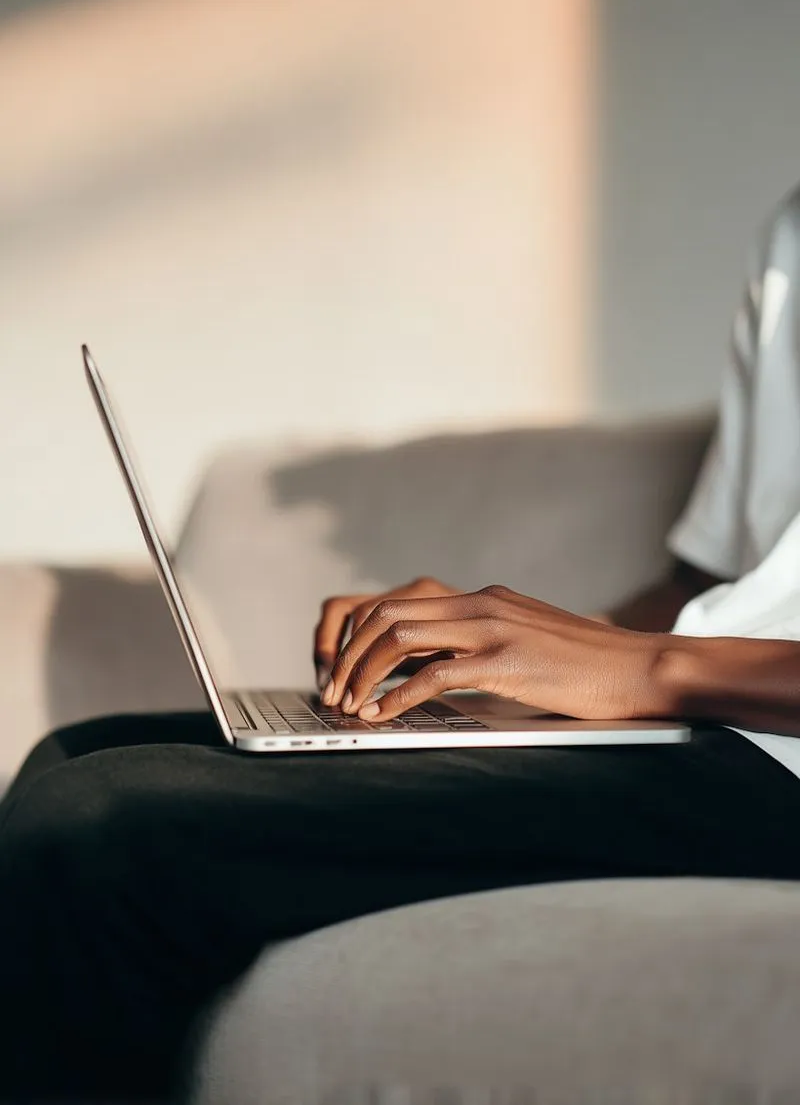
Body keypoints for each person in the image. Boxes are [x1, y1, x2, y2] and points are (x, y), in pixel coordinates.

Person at [4, 186, 800, 1103]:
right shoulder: (791, 229)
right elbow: (719, 592)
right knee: (76, 750)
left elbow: (675, 652)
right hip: (716, 723)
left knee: (102, 828)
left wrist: (650, 671)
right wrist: (503, 653)